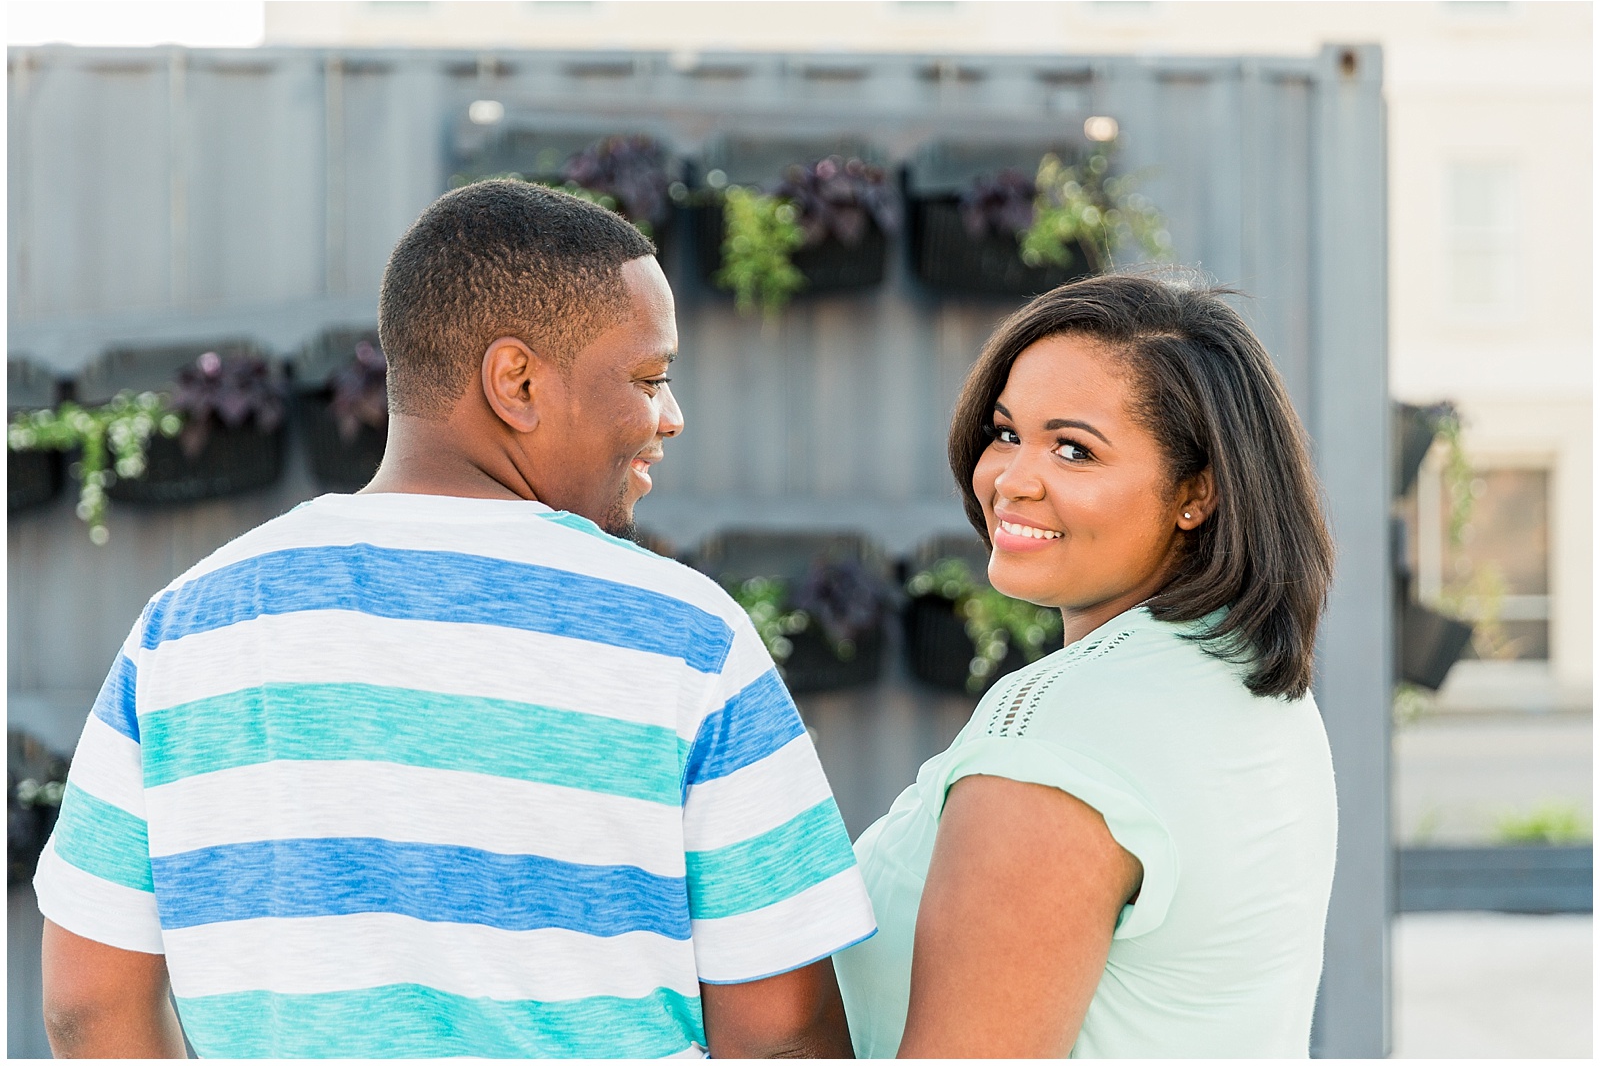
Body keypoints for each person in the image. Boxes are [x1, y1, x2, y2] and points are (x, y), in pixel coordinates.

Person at [34, 179, 876, 1059]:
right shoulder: (689, 639)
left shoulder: (187, 630)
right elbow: (783, 1032)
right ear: (516, 382)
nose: (670, 416)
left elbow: (89, 1009)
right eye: (648, 378)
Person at [833, 272, 1338, 1057]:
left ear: (1194, 493)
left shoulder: (1059, 733)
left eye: (1074, 450)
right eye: (1006, 434)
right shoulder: (1254, 687)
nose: (1012, 480)